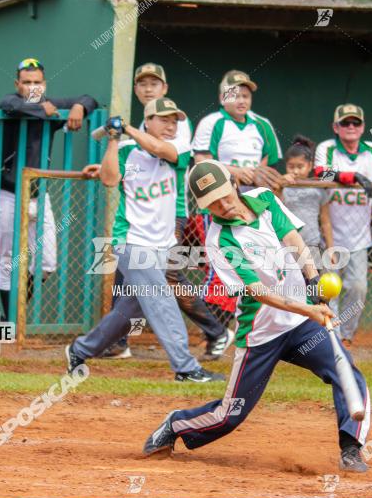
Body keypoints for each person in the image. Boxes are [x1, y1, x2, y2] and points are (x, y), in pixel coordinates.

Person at [142, 160, 372, 473]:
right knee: (230, 415)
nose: (223, 205)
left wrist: (313, 277)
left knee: (347, 373)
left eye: (225, 195)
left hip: (302, 325)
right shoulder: (220, 241)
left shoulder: (264, 199)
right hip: (261, 334)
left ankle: (351, 448)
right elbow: (258, 292)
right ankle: (176, 424)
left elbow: (293, 239)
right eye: (213, 203)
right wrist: (309, 308)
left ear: (234, 185)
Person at [64, 98, 224, 383]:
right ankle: (186, 368)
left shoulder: (179, 149)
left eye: (174, 120)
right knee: (162, 300)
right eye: (163, 119)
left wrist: (125, 128)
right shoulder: (126, 151)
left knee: (128, 311)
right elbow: (110, 179)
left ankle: (80, 349)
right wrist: (114, 139)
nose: (170, 125)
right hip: (132, 241)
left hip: (163, 244)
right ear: (148, 121)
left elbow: (159, 148)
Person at [101, 63, 232, 361]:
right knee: (129, 274)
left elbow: (164, 151)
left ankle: (216, 331)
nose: (148, 88)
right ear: (136, 89)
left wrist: (127, 131)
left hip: (171, 212)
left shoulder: (177, 123)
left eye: (155, 83)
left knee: (168, 274)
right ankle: (118, 340)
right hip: (140, 217)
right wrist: (112, 146)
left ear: (165, 88)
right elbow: (127, 168)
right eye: (143, 83)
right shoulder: (135, 134)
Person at [0, 58, 98, 321]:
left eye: (37, 82)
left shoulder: (51, 104)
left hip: (39, 196)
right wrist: (45, 110)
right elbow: (10, 105)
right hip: (8, 194)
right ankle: (10, 321)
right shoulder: (13, 102)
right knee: (8, 260)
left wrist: (77, 107)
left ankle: (15, 314)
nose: (32, 87)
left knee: (47, 264)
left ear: (44, 83)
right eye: (26, 82)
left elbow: (89, 98)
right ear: (17, 84)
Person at [192, 70, 283, 330]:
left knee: (257, 263)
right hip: (220, 201)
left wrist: (256, 177)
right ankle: (217, 330)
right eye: (235, 95)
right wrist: (234, 172)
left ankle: (242, 325)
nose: (241, 100)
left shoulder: (262, 124)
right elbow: (201, 162)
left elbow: (267, 164)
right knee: (220, 264)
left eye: (245, 95)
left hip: (251, 204)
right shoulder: (212, 122)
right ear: (222, 98)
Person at [314, 104, 372, 346]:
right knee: (328, 288)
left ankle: (345, 335)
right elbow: (318, 173)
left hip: (359, 237)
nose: (351, 127)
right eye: (345, 123)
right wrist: (349, 177)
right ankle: (328, 335)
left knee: (358, 289)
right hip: (329, 235)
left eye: (356, 123)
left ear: (363, 127)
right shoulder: (327, 148)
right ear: (335, 127)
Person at [277, 135, 334, 270]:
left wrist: (331, 249)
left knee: (313, 285)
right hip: (286, 245)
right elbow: (275, 206)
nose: (295, 171)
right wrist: (280, 185)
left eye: (300, 166)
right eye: (291, 166)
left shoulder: (319, 189)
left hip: (312, 245)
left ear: (310, 166)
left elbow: (325, 221)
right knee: (289, 287)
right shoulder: (282, 187)